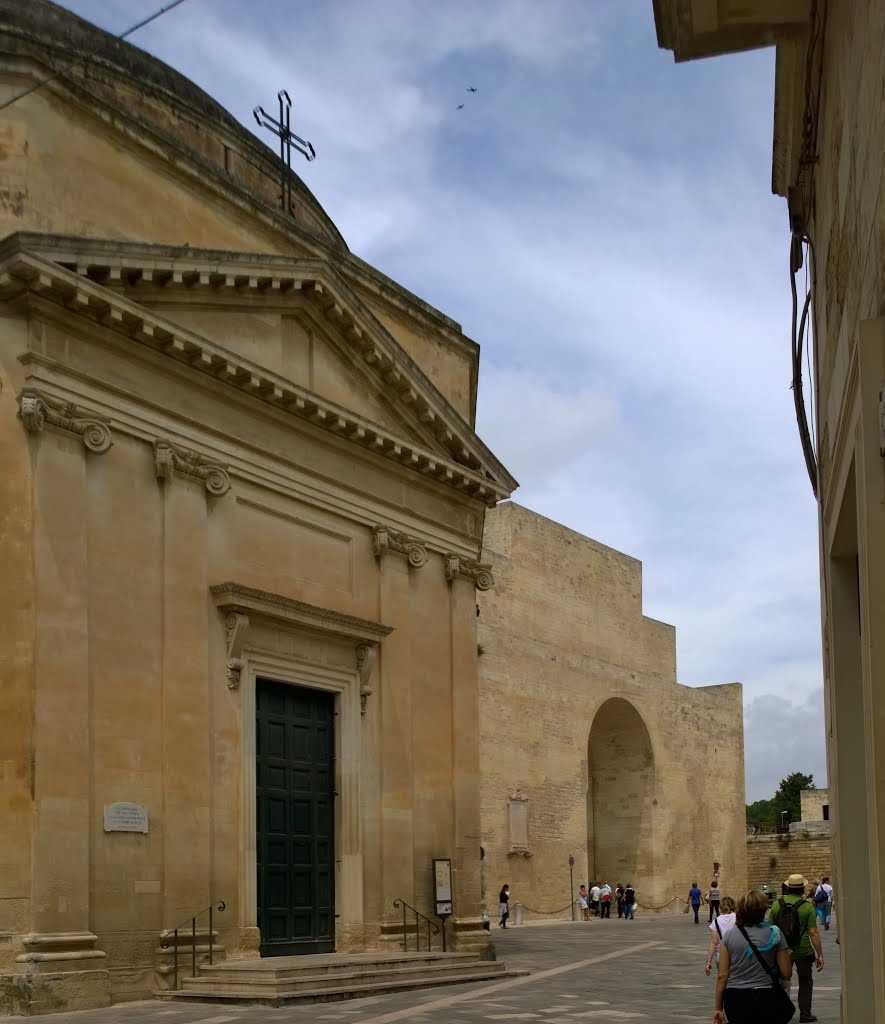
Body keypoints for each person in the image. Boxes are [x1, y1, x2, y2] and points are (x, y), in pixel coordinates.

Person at [713, 888, 792, 1024]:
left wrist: (718, 1008)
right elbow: (786, 973)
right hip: (766, 996)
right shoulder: (775, 933)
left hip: (736, 997)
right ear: (763, 910)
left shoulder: (729, 936)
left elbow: (722, 975)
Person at [769, 873, 824, 1023]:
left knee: (781, 982)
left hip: (782, 951)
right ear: (803, 889)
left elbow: (770, 929)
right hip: (803, 951)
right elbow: (813, 932)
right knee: (805, 980)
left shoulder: (776, 904)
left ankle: (780, 1013)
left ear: (787, 888)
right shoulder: (807, 907)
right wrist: (819, 954)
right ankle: (805, 1013)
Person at [705, 895, 736, 975]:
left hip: (721, 955)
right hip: (736, 954)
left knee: (723, 979)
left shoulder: (716, 922)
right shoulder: (739, 918)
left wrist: (708, 962)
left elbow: (713, 943)